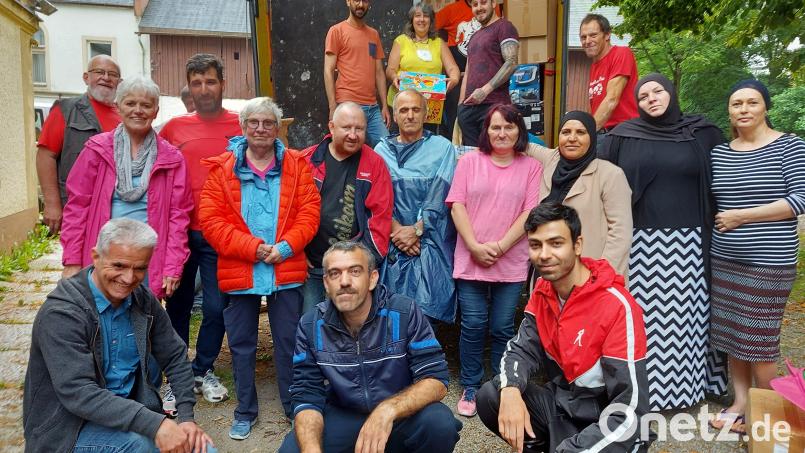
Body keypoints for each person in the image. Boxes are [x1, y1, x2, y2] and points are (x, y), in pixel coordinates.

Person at [24, 218, 217, 453]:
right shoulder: (62, 313)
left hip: (125, 420)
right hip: (68, 431)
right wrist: (156, 424)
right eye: (118, 266)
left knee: (203, 449)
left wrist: (186, 417)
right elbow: (78, 392)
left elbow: (175, 356)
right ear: (96, 257)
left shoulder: (142, 299)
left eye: (140, 268)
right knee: (140, 447)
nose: (128, 279)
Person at [599, 73, 728, 411]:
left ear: (671, 93)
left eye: (658, 91)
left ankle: (687, 390)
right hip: (641, 245)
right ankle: (643, 391)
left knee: (686, 321)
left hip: (690, 245)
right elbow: (597, 174)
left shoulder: (701, 133)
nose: (651, 99)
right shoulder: (623, 135)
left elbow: (728, 177)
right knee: (644, 321)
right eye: (643, 96)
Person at [476, 202, 650, 453]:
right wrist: (511, 388)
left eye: (556, 243)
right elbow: (521, 351)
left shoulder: (617, 306)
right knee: (492, 395)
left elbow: (630, 413)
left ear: (577, 245)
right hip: (565, 408)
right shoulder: (543, 291)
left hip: (606, 426)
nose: (544, 254)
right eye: (536, 245)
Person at [198, 97, 321, 440]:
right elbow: (211, 221)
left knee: (288, 341)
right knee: (241, 344)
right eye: (254, 122)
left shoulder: (297, 166)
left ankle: (293, 406)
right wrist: (251, 248)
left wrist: (286, 247)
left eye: (268, 123)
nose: (261, 129)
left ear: (278, 128)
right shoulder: (222, 169)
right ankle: (245, 410)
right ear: (243, 127)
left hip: (285, 268)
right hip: (240, 269)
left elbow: (310, 212)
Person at [278, 241, 462, 453]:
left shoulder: (403, 312)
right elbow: (306, 393)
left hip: (399, 412)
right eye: (335, 274)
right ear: (326, 284)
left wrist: (387, 409)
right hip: (344, 414)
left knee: (439, 425)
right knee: (292, 450)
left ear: (373, 278)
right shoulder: (311, 325)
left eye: (355, 271)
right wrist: (311, 449)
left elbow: (436, 379)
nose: (344, 281)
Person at [707, 79, 805, 433]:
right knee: (733, 335)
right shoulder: (720, 153)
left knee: (759, 340)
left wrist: (742, 217)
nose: (744, 109)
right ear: (729, 111)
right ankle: (741, 402)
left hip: (769, 262)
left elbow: (799, 200)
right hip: (725, 259)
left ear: (765, 107)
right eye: (737, 104)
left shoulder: (789, 146)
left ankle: (767, 411)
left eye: (752, 102)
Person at [446, 104, 541, 417]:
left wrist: (500, 246)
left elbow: (529, 212)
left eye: (509, 127)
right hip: (471, 257)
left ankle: (501, 384)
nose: (502, 133)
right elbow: (456, 205)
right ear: (486, 131)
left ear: (519, 131)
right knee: (473, 325)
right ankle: (471, 385)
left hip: (510, 260)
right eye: (496, 127)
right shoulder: (469, 161)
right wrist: (474, 246)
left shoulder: (531, 167)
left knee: (502, 327)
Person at [159, 54, 243, 406]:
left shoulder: (241, 124)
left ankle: (202, 368)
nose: (204, 89)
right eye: (197, 83)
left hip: (219, 234)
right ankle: (176, 374)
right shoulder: (174, 128)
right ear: (189, 87)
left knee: (216, 306)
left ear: (223, 84)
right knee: (176, 306)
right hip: (179, 232)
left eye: (210, 81)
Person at [60, 75, 191, 299]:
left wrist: (173, 266)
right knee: (98, 313)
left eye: (146, 105)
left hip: (147, 258)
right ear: (118, 107)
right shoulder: (97, 150)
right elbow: (77, 208)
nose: (138, 110)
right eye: (130, 103)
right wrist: (72, 260)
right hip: (105, 254)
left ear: (156, 111)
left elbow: (178, 217)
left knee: (141, 315)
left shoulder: (172, 158)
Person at [300, 102, 393, 314]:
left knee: (353, 325)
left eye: (359, 129)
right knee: (312, 322)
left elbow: (380, 219)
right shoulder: (307, 160)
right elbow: (289, 210)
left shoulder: (375, 164)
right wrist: (296, 250)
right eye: (346, 128)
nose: (353, 135)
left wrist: (361, 263)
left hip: (352, 269)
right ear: (332, 127)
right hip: (312, 265)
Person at [374, 89, 458, 324]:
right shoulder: (380, 151)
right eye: (403, 110)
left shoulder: (442, 148)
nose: (410, 115)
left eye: (415, 109)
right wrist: (398, 231)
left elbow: (440, 197)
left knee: (426, 315)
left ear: (426, 114)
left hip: (430, 240)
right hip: (393, 239)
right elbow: (377, 199)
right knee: (390, 315)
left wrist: (418, 229)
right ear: (394, 115)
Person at [526, 111, 632, 278]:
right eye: (566, 132)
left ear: (592, 138)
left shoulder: (610, 174)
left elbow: (620, 232)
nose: (572, 138)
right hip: (547, 271)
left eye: (581, 132)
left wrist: (600, 276)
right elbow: (518, 142)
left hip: (589, 275)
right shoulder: (552, 160)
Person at [36, 54, 122, 234]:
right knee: (78, 252)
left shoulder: (125, 116)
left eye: (112, 74)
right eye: (99, 72)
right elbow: (46, 155)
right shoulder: (66, 109)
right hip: (76, 207)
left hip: (115, 207)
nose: (106, 78)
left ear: (119, 82)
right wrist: (52, 203)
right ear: (86, 77)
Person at [385, 2, 460, 135]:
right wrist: (394, 77)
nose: (422, 19)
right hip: (403, 104)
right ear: (412, 20)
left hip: (430, 107)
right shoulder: (401, 41)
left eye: (426, 16)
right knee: (401, 140)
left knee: (426, 141)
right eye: (418, 16)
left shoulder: (438, 43)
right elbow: (390, 69)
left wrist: (454, 79)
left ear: (430, 21)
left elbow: (453, 68)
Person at [324, 0, 390, 147]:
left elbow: (379, 72)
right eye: (356, 0)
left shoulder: (373, 34)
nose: (360, 4)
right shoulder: (336, 31)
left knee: (386, 149)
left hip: (373, 108)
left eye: (364, 1)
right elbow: (328, 71)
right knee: (350, 151)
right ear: (348, 2)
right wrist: (332, 107)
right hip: (348, 104)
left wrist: (384, 105)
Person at [435, 0, 501, 139]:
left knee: (489, 123)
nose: (479, 7)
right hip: (460, 78)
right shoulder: (451, 10)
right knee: (458, 122)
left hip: (487, 78)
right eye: (475, 5)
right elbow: (427, 26)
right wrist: (443, 45)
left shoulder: (493, 11)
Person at [457, 0, 519, 147]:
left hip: (494, 107)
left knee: (495, 155)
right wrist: (460, 106)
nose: (479, 8)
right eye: (475, 4)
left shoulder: (504, 26)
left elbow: (512, 62)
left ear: (493, 3)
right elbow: (468, 72)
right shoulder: (474, 37)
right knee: (473, 157)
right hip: (468, 109)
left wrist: (485, 91)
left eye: (483, 2)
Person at [579, 14, 638, 133]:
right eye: (583, 37)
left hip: (624, 131)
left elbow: (612, 99)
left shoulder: (622, 53)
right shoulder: (594, 66)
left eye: (593, 35)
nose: (587, 41)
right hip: (604, 132)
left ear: (607, 35)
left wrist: (588, 134)